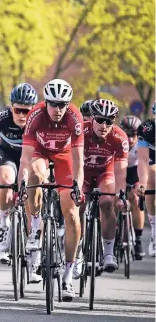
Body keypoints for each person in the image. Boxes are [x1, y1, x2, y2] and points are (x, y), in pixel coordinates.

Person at [19, 78, 84, 302]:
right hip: (40, 152)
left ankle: (67, 275)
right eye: (54, 104)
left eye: (62, 104)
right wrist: (22, 183)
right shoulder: (35, 115)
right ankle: (36, 226)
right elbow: (25, 157)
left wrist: (77, 184)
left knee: (73, 213)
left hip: (66, 157)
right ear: (46, 102)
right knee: (35, 175)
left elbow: (79, 160)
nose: (58, 109)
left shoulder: (74, 117)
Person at [0, 83, 38, 271]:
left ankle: (34, 252)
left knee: (32, 199)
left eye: (26, 111)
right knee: (5, 182)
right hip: (7, 154)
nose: (22, 115)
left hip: (30, 158)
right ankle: (4, 224)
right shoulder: (0, 117)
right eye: (18, 110)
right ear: (11, 107)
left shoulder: (38, 120)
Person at [74, 99, 127, 276]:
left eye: (109, 121)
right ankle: (78, 250)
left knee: (107, 202)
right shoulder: (81, 130)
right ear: (92, 119)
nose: (104, 125)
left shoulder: (120, 138)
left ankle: (109, 253)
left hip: (106, 172)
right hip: (84, 173)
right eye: (100, 120)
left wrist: (121, 196)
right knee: (78, 204)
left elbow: (120, 172)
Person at [120, 115, 145, 259]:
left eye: (133, 135)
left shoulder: (142, 144)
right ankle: (115, 229)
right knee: (113, 198)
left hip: (135, 171)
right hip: (119, 170)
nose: (129, 139)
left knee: (136, 198)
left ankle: (138, 240)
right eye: (127, 135)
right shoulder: (117, 140)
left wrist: (141, 185)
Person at [137, 102, 155, 257]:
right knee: (152, 174)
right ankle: (154, 232)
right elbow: (143, 159)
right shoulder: (146, 128)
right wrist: (142, 183)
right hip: (152, 159)